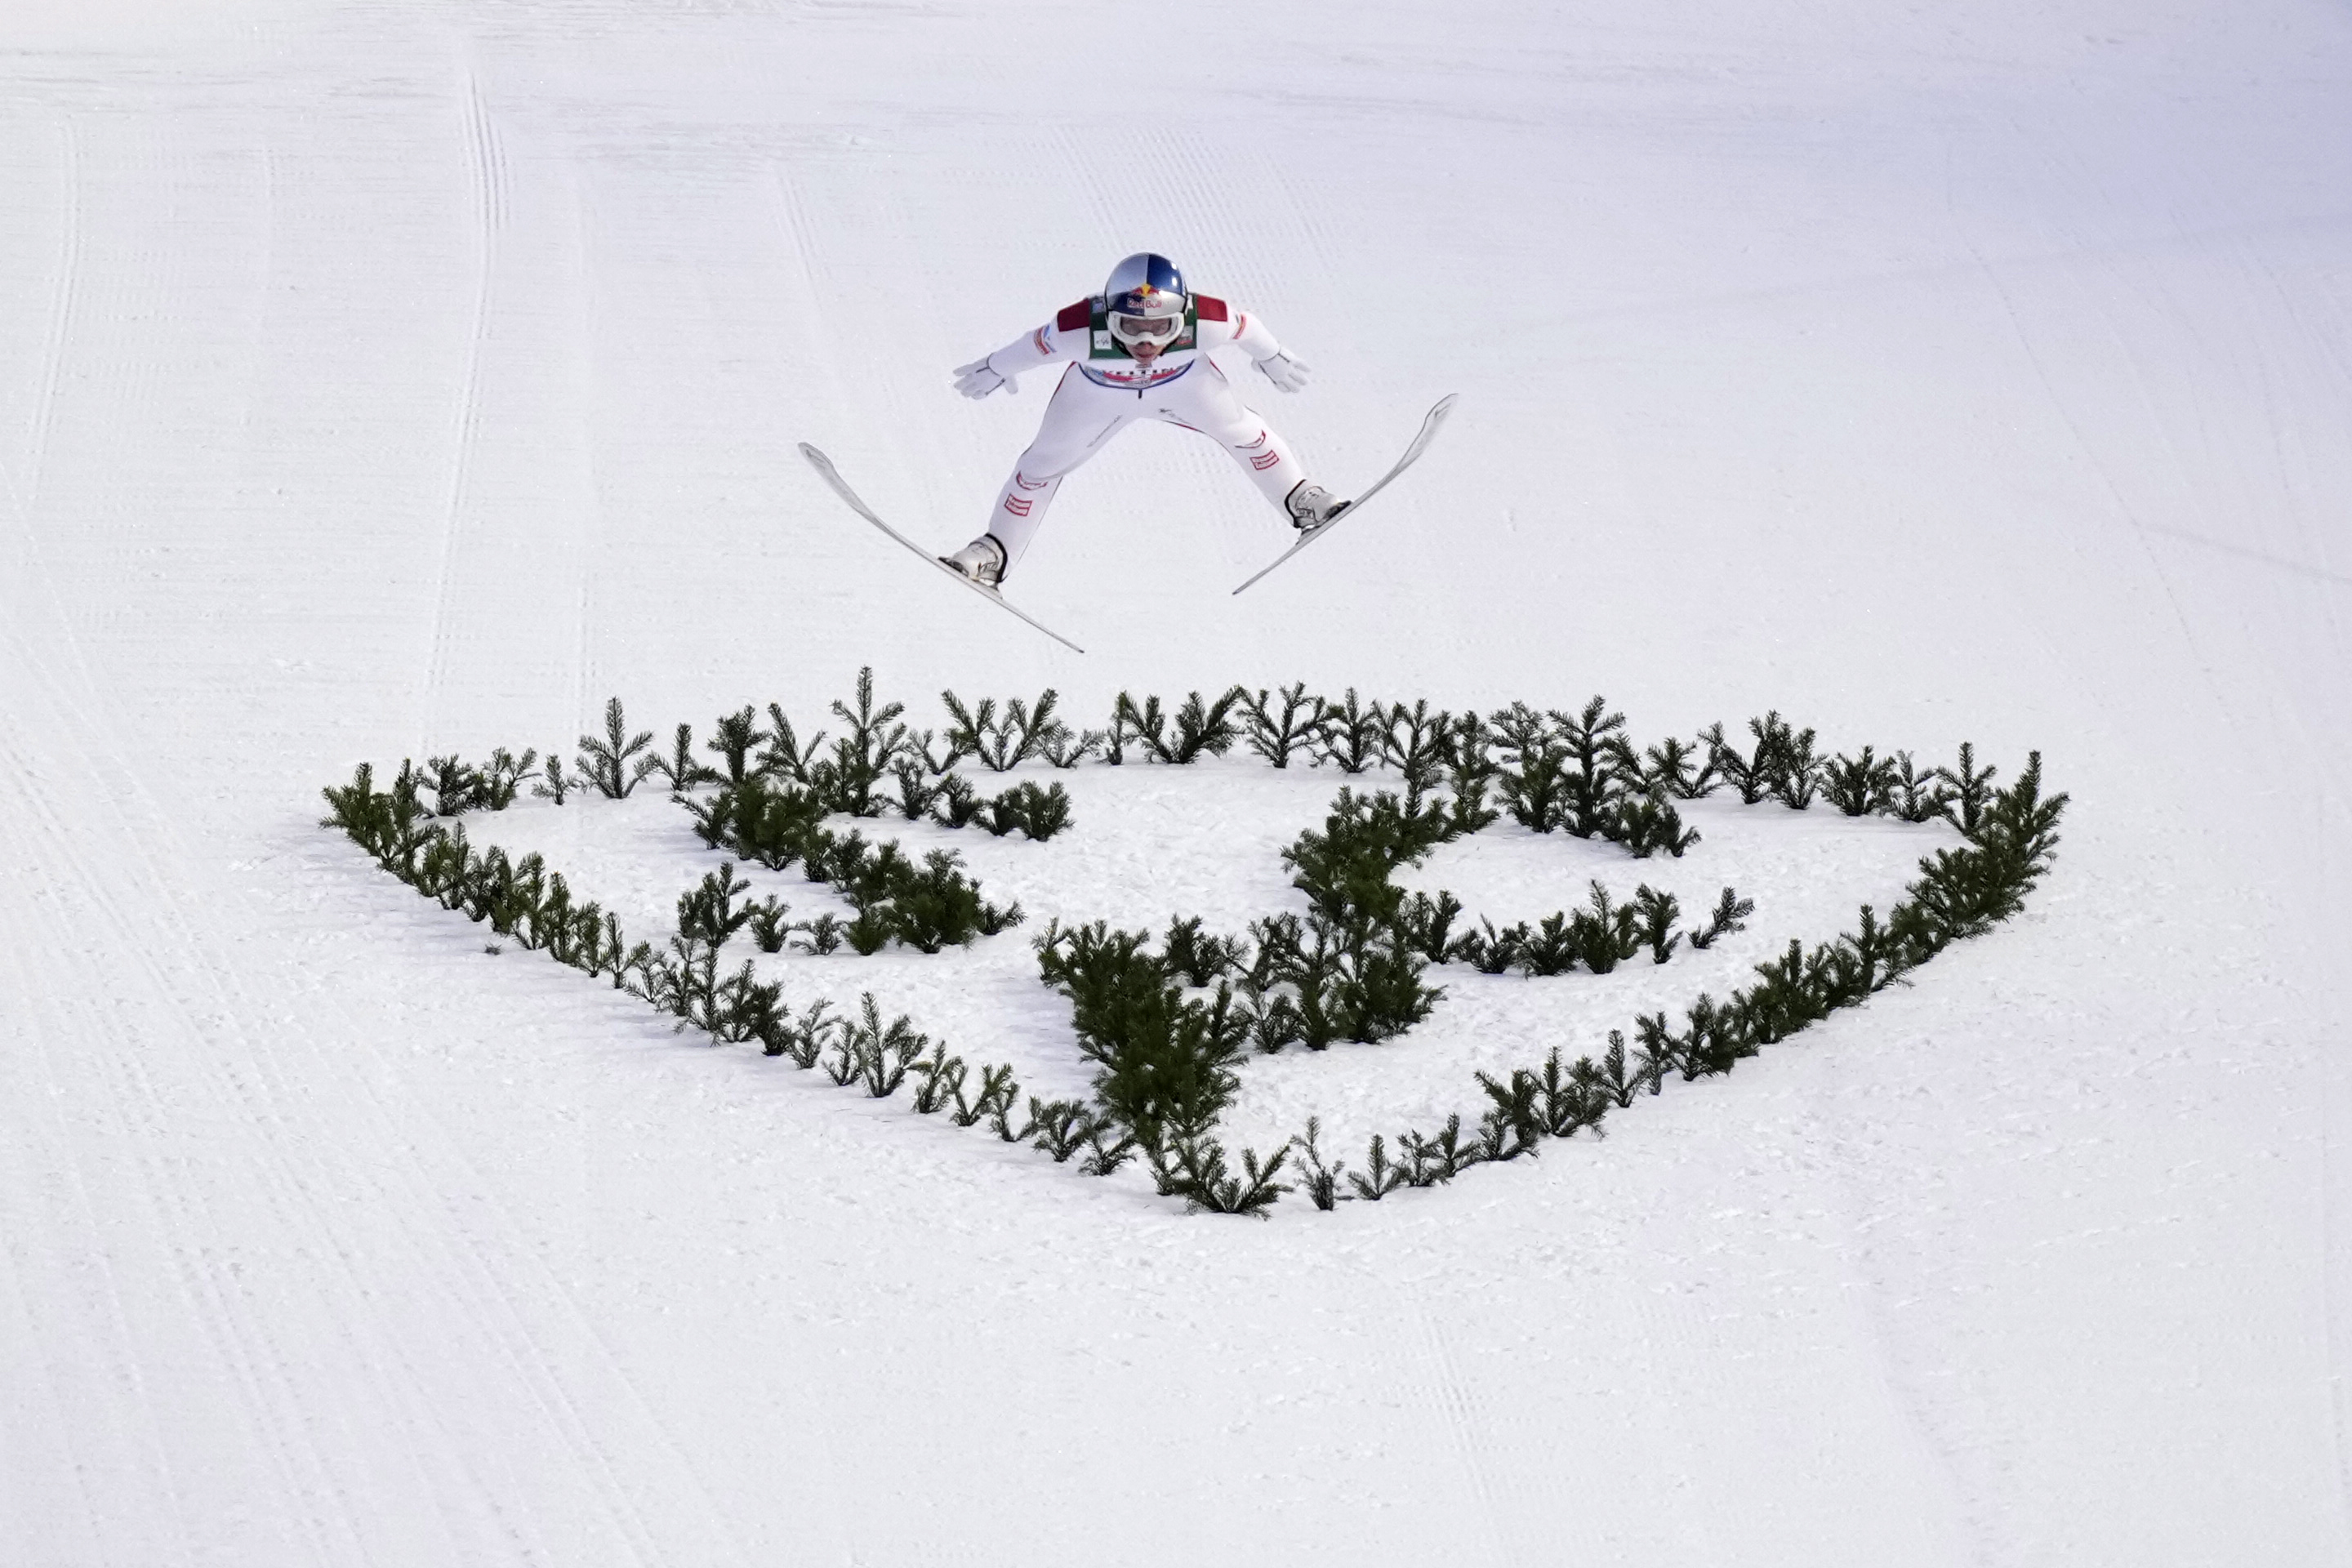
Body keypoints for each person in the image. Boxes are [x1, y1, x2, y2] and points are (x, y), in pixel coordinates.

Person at [939, 252, 1348, 587]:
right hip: (1096, 396)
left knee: (1244, 432)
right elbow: (1032, 346)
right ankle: (993, 552)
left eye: (1161, 327)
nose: (1146, 342)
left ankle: (1302, 498)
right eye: (1131, 326)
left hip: (1184, 387)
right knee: (1039, 466)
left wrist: (1271, 355)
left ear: (1182, 316)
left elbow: (1247, 327)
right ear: (1108, 315)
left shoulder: (1208, 320)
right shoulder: (1077, 328)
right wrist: (996, 366)